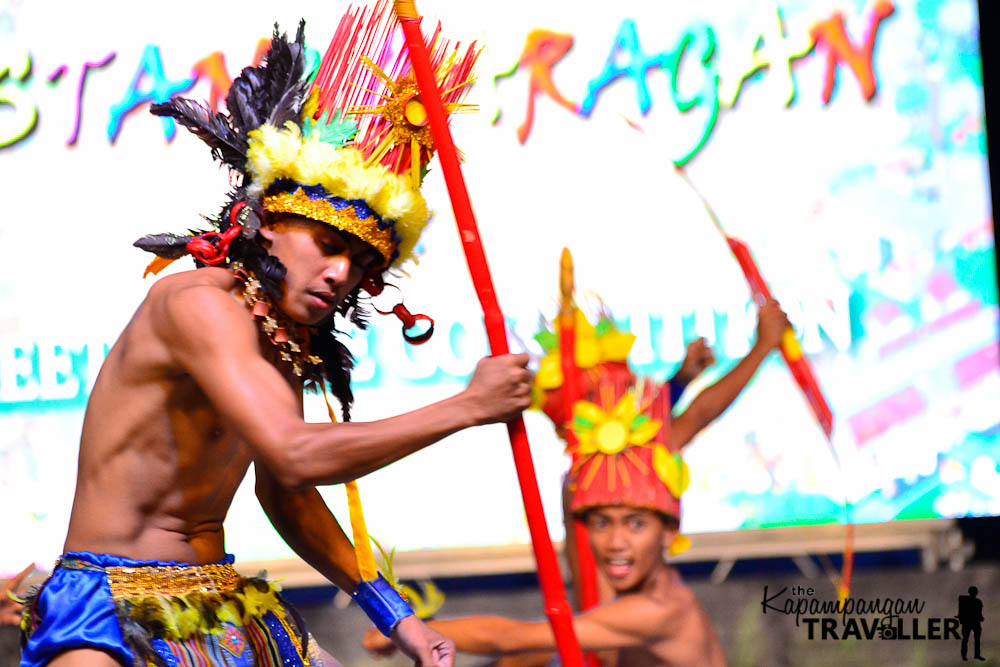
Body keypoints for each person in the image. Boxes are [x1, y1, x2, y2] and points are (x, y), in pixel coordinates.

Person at [19, 13, 514, 667]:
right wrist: (466, 407)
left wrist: (396, 616)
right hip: (107, 616)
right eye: (330, 246)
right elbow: (297, 451)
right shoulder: (198, 303)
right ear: (268, 225)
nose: (342, 273)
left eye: (362, 266)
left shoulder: (281, 339)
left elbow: (285, 487)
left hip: (221, 602)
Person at [362, 298, 789, 666]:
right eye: (601, 523)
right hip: (595, 632)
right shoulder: (591, 478)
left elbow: (695, 417)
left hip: (599, 631)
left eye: (635, 524)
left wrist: (407, 627)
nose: (615, 538)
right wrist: (681, 381)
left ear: (667, 528)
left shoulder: (657, 604)